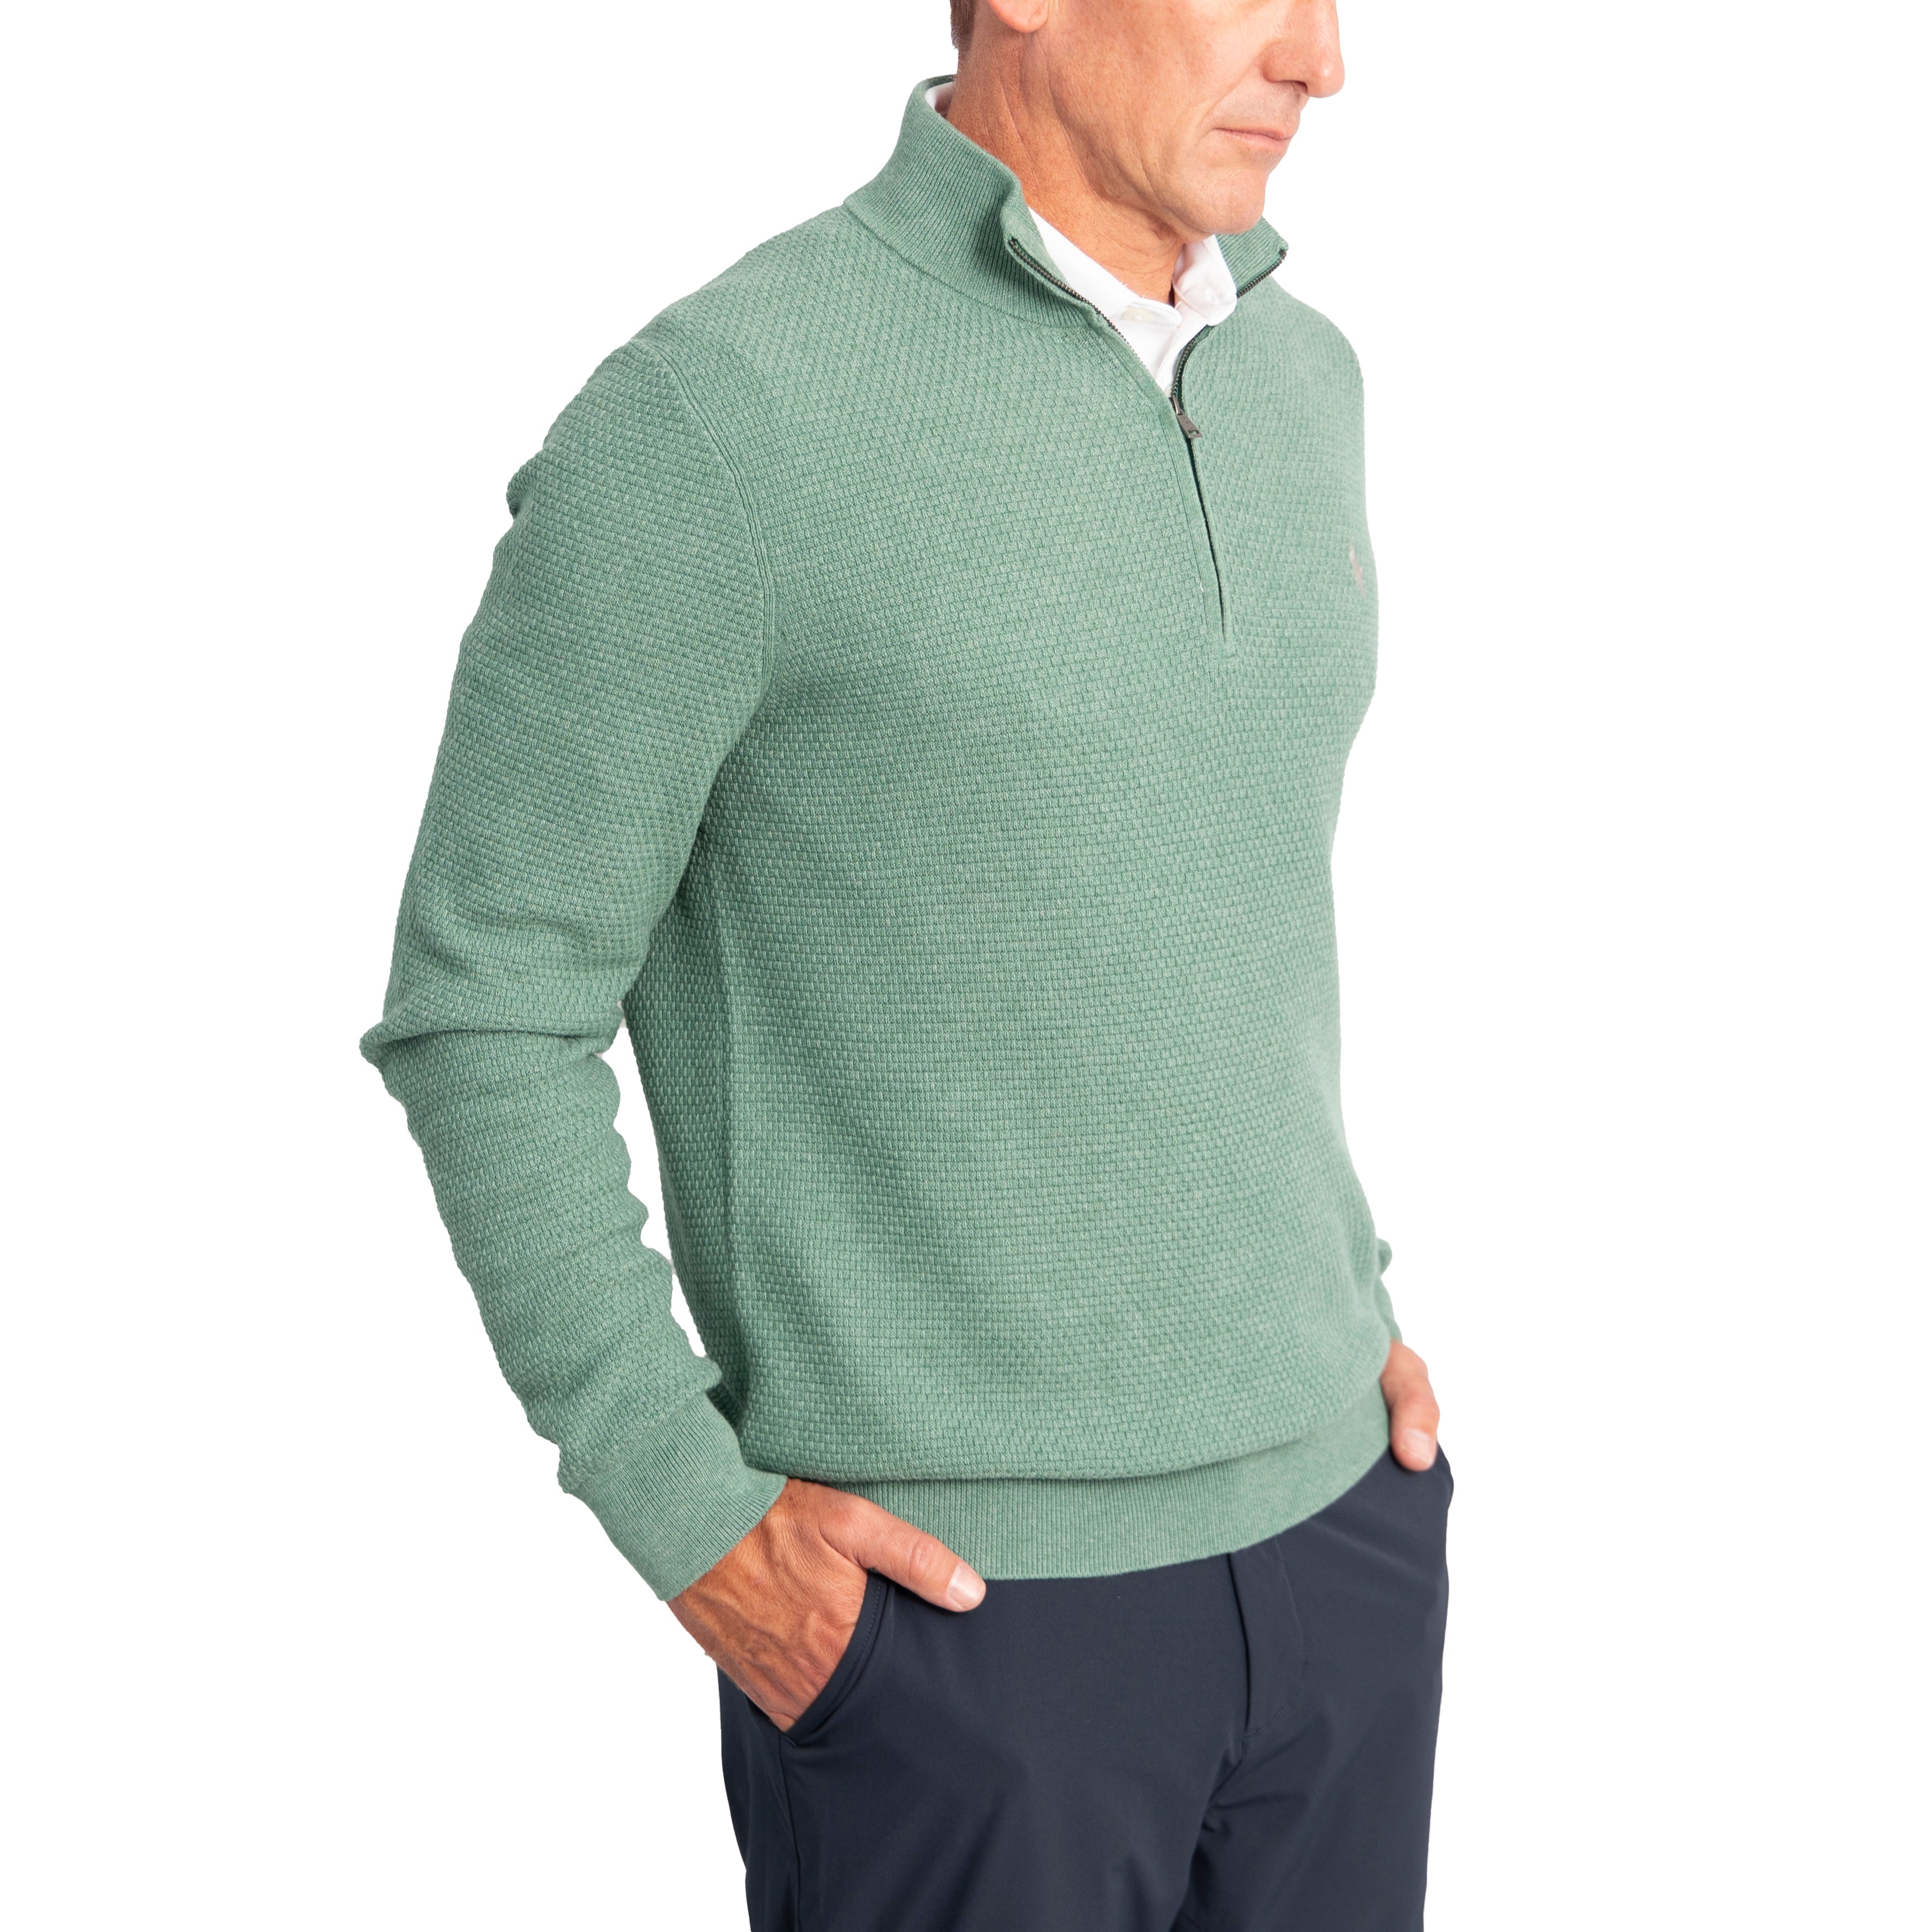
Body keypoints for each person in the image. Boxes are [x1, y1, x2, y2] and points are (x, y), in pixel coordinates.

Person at [361, 0, 1451, 1924]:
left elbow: (1208, 901)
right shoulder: (723, 418)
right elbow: (488, 1004)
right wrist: (686, 1513)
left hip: (1341, 1534)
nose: (1322, 58)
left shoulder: (1304, 374)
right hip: (967, 1624)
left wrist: (1335, 1321)